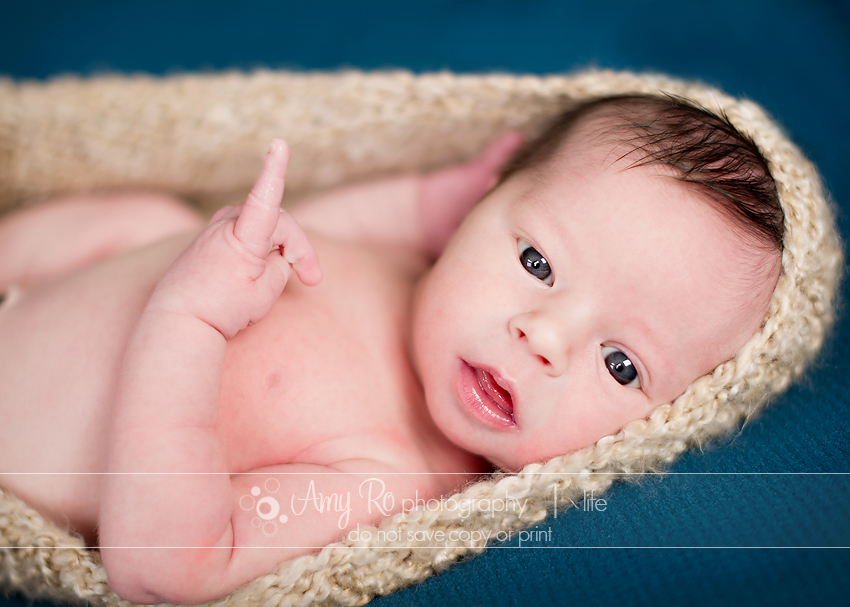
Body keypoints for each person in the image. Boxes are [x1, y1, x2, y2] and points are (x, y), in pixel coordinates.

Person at [0, 94, 782, 604]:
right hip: (43, 283)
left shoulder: (395, 480)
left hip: (21, 424)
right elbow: (324, 236)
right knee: (151, 217)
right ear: (478, 207)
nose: (543, 337)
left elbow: (170, 564)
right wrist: (415, 203)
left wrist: (189, 321)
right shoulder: (420, 272)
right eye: (536, 261)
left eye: (622, 364)